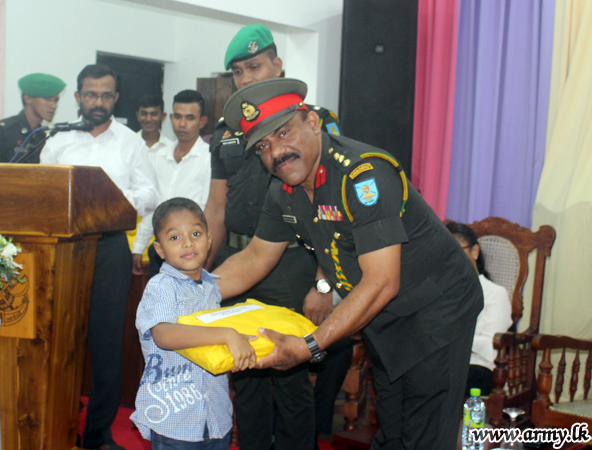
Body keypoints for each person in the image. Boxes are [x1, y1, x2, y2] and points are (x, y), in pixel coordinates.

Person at [214, 78, 484, 450]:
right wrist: (191, 287)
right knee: (393, 430)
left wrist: (309, 346)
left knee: (425, 432)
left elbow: (382, 281)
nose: (276, 152)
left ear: (311, 122)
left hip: (436, 307)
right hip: (384, 315)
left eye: (283, 133)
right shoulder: (284, 192)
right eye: (263, 145)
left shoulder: (362, 175)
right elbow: (256, 256)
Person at [203, 24, 349, 450]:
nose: (246, 78)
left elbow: (330, 210)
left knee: (290, 379)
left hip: (292, 263)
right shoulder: (226, 131)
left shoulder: (311, 122)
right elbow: (216, 208)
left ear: (277, 65)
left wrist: (323, 284)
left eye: (254, 66)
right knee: (244, 374)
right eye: (238, 72)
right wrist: (202, 274)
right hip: (238, 260)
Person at [40, 63, 158, 450]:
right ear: (78, 97)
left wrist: (112, 203)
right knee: (60, 341)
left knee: (106, 343)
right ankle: (56, 426)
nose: (98, 102)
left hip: (110, 248)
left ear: (115, 98)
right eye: (91, 94)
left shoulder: (130, 142)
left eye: (106, 95)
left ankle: (98, 435)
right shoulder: (57, 139)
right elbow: (42, 190)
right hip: (64, 250)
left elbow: (150, 193)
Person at [131, 197, 257, 449]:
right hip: (176, 418)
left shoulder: (211, 286)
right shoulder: (161, 287)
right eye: (175, 237)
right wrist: (227, 335)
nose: (188, 243)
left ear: (209, 239)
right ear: (160, 250)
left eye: (196, 233)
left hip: (216, 416)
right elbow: (164, 335)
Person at [133, 90, 210, 278]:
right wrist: (139, 247)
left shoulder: (209, 158)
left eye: (190, 118)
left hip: (191, 252)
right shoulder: (160, 155)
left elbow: (210, 211)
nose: (182, 124)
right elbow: (153, 206)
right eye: (177, 117)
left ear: (202, 122)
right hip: (160, 251)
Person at [446, 221, 512, 397]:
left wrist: (451, 336)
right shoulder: (440, 293)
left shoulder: (495, 294)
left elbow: (493, 348)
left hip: (478, 369)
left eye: (457, 251)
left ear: (475, 251)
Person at [0, 73, 65, 163]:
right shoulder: (0, 132)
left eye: (56, 100)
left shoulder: (43, 136)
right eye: (47, 98)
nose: (54, 106)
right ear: (28, 98)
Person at [136, 94, 173, 164]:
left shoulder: (171, 148)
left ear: (163, 116)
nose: (148, 119)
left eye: (154, 114)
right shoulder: (128, 144)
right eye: (144, 114)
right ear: (138, 115)